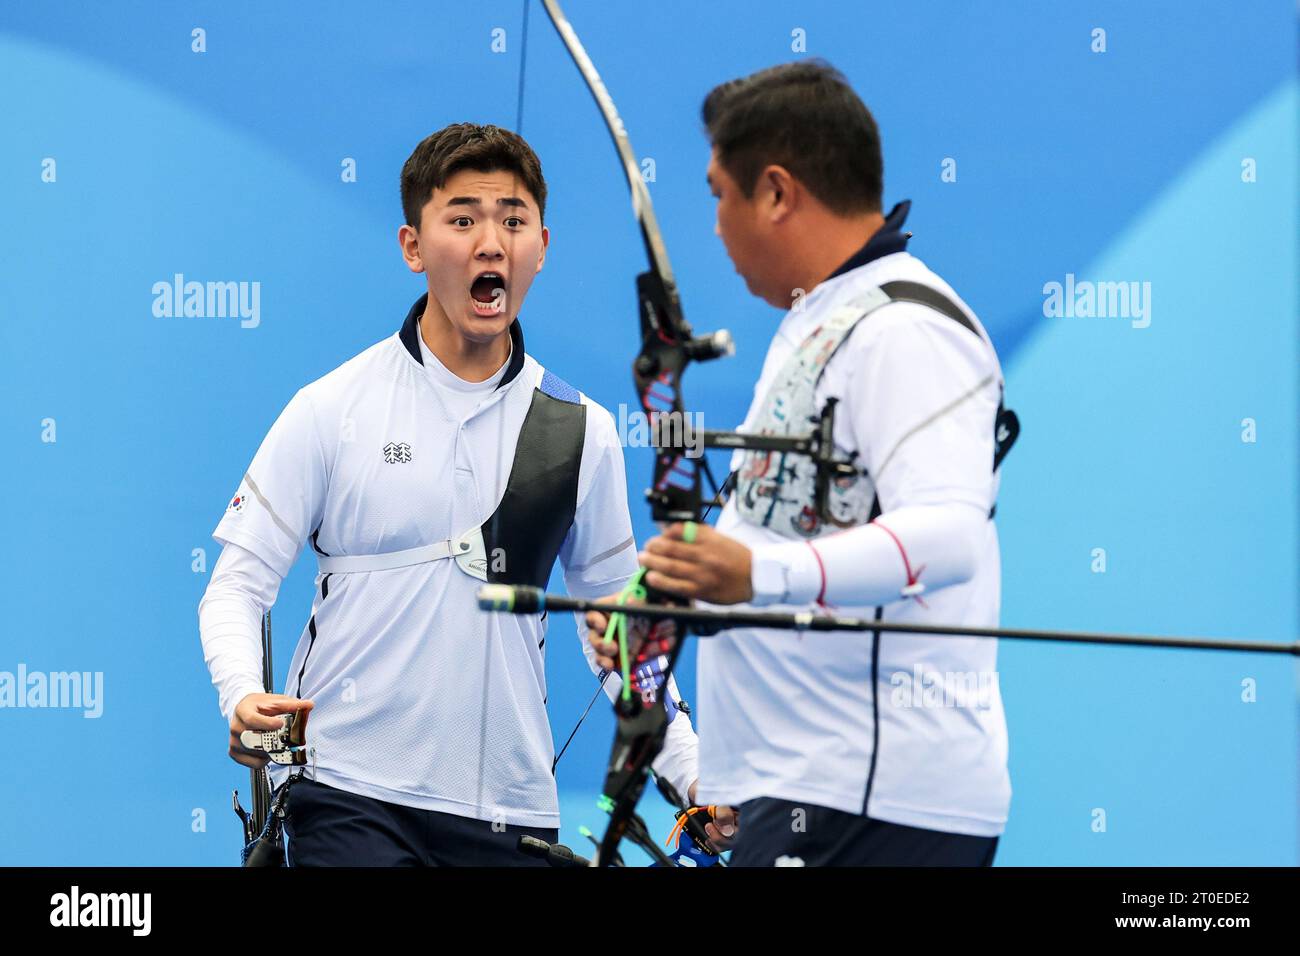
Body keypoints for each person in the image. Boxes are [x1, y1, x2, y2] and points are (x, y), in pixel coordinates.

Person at [198, 123, 732, 866]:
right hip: (347, 791)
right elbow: (235, 586)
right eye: (462, 219)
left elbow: (622, 638)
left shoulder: (584, 432)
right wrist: (240, 697)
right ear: (413, 246)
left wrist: (696, 773)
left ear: (541, 246)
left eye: (512, 221)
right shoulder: (332, 406)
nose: (492, 242)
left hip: (510, 813)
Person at [590, 61, 1015, 866]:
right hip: (797, 797)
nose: (714, 223)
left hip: (872, 803)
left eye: (721, 193)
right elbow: (790, 534)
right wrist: (663, 605)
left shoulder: (905, 328)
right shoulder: (823, 317)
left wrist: (750, 577)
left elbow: (948, 536)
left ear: (778, 193)